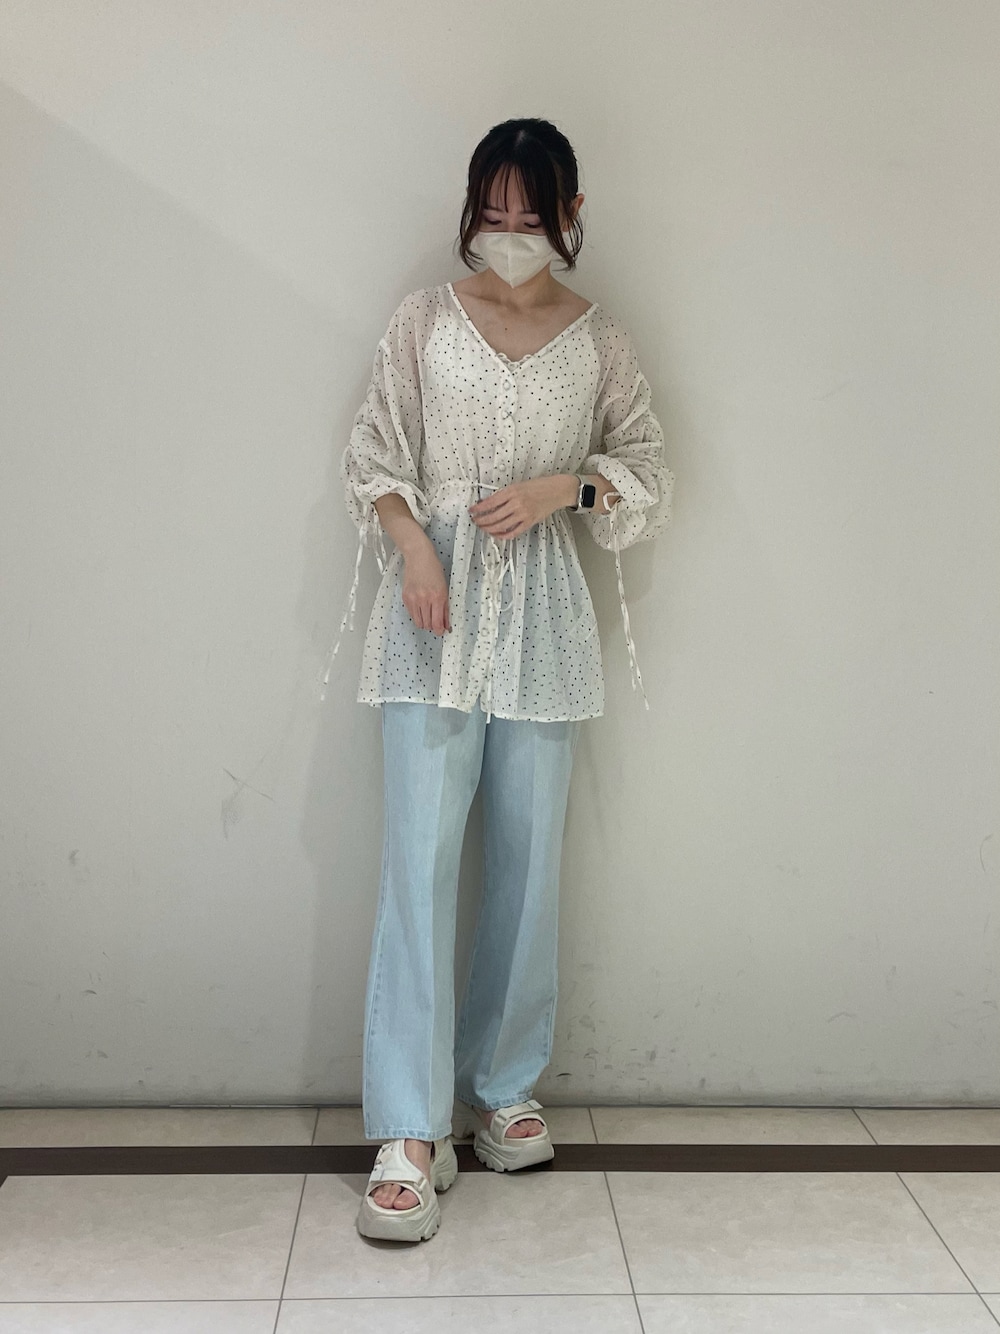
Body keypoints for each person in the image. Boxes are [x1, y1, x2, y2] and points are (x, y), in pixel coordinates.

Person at [323, 118, 675, 1242]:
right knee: (418, 866)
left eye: (532, 215)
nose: (511, 232)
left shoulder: (598, 338)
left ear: (571, 215)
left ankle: (504, 1088)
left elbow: (648, 469)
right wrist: (416, 547)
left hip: (545, 621)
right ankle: (409, 1129)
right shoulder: (423, 320)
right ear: (471, 208)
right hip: (431, 615)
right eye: (495, 212)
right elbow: (372, 453)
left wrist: (564, 487)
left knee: (528, 866)